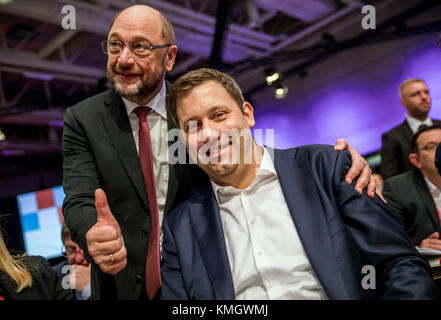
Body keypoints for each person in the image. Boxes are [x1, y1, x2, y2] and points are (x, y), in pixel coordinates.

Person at [62, 5, 376, 300]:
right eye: (115, 45)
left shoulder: (191, 109)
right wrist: (92, 230)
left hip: (204, 274)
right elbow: (79, 197)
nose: (124, 59)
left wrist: (331, 162)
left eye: (140, 47)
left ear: (169, 57)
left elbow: (246, 151)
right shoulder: (83, 119)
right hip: (121, 281)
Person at [160, 68, 438, 300]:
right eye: (192, 126)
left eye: (219, 115)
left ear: (248, 114)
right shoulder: (180, 227)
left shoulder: (326, 168)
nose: (209, 133)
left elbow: (400, 264)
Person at [383, 125, 441, 250]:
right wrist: (420, 247)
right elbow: (391, 240)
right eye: (432, 146)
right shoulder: (397, 189)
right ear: (416, 160)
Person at [380, 78, 441, 180]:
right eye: (415, 94)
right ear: (403, 102)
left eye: (426, 92)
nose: (423, 97)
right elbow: (391, 179)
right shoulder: (391, 137)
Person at [0, 227, 74, 300]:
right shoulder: (58, 271)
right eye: (70, 250)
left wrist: (85, 290)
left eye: (82, 250)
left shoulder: (39, 272)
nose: (78, 258)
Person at [53, 222, 91, 300]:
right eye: (71, 250)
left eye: (85, 248)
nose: (78, 259)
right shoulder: (55, 277)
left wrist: (87, 290)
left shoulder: (115, 272)